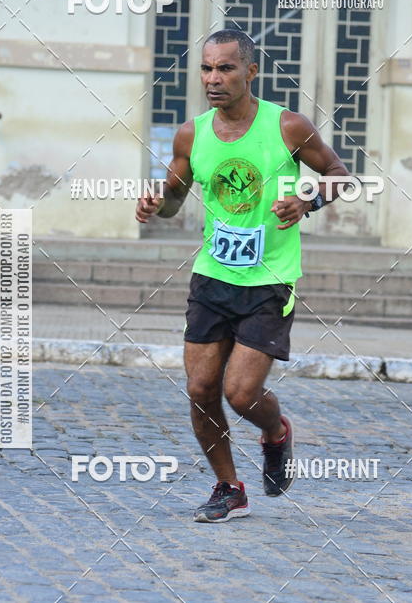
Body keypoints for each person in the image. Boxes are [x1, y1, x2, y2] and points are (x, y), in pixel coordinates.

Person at [136, 28, 350, 522]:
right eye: (207, 69)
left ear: (251, 71)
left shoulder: (288, 127)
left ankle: (276, 433)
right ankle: (229, 487)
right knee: (200, 389)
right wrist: (156, 202)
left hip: (269, 282)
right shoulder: (192, 133)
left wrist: (308, 200)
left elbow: (341, 173)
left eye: (226, 68)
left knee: (240, 393)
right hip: (212, 278)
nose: (214, 78)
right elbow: (174, 202)